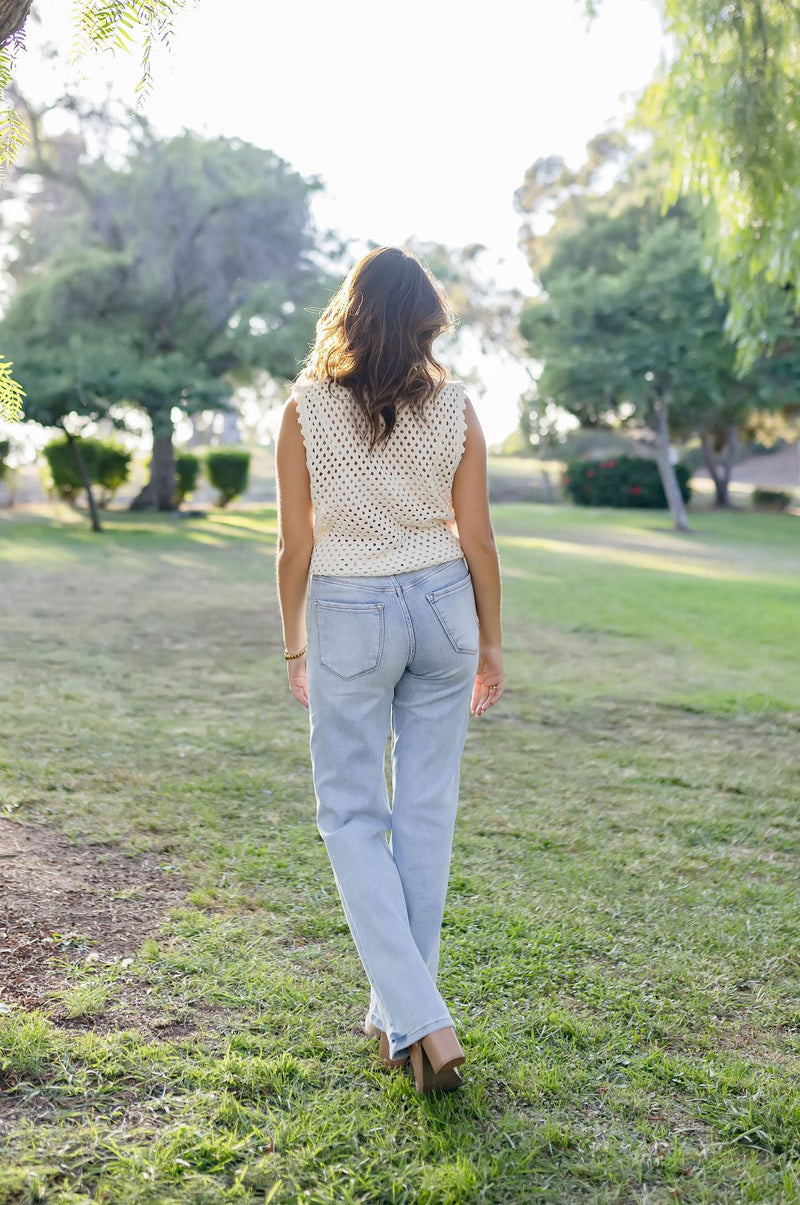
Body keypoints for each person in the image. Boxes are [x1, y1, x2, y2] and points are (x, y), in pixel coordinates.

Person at [275, 246, 503, 1093]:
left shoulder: (303, 409)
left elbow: (297, 545)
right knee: (426, 814)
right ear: (424, 321)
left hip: (350, 610)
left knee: (349, 814)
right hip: (446, 607)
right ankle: (397, 1014)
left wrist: (293, 642)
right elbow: (477, 537)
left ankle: (422, 1018)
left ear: (351, 311)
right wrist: (492, 641)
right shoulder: (458, 408)